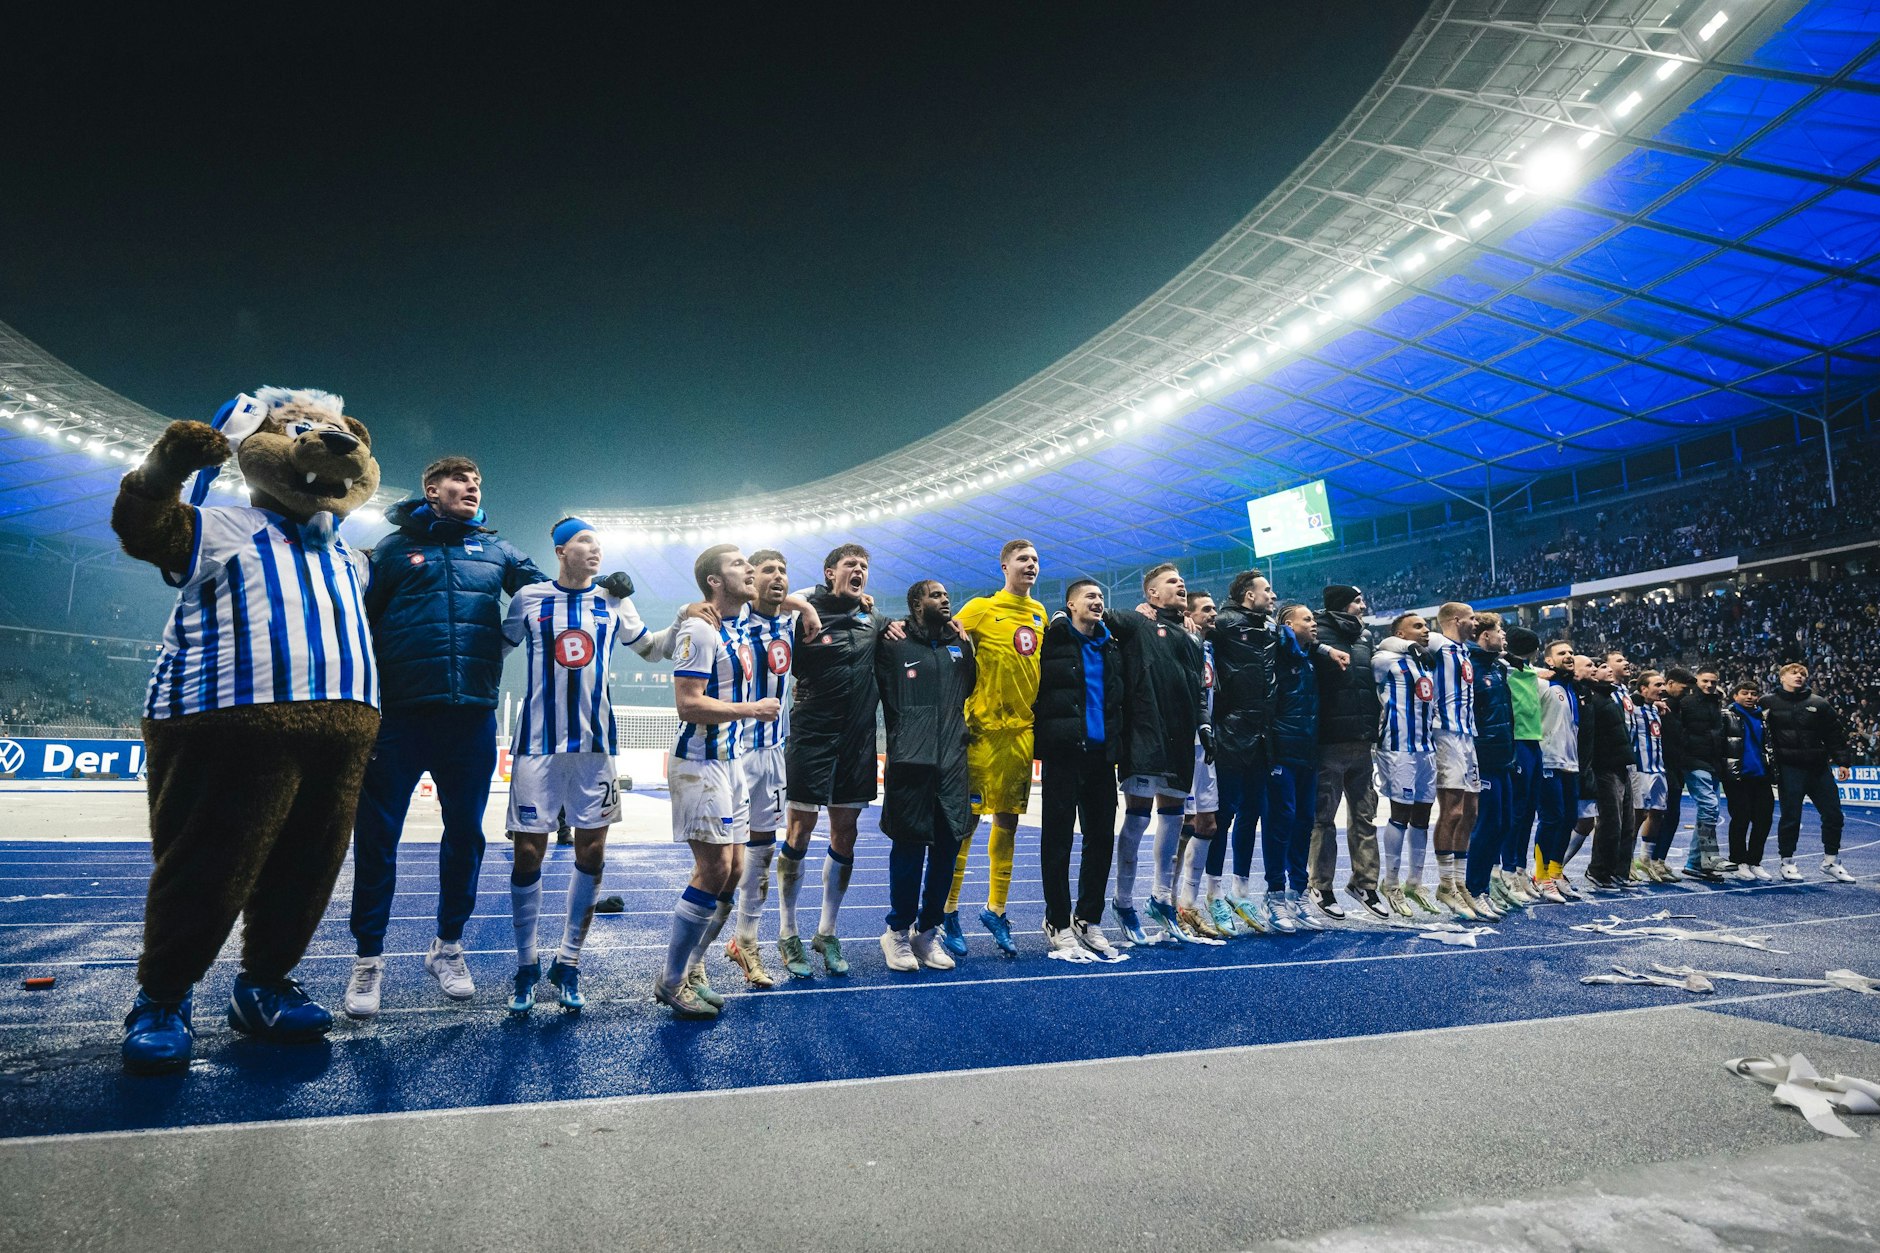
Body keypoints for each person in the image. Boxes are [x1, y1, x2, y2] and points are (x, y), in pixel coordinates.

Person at [346, 455, 549, 1017]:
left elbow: (554, 600)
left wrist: (608, 594)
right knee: (377, 838)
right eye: (460, 480)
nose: (472, 487)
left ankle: (449, 947)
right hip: (400, 717)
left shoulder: (499, 551)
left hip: (472, 718)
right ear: (431, 490)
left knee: (466, 836)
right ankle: (368, 961)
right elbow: (358, 620)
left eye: (477, 480)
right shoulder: (389, 550)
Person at [499, 518, 685, 1013]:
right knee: (528, 855)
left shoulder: (614, 601)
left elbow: (649, 650)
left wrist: (687, 619)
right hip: (537, 745)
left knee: (593, 852)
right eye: (585, 543)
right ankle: (526, 965)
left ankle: (569, 962)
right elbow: (496, 649)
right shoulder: (530, 599)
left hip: (595, 747)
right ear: (561, 550)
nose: (595, 551)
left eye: (598, 545)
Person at [657, 544, 782, 1018]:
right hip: (699, 762)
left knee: (731, 872)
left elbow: (783, 597)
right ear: (714, 582)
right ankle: (671, 981)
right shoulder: (700, 630)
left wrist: (808, 605)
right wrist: (752, 709)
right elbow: (687, 703)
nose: (750, 570)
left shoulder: (734, 624)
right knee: (712, 872)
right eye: (738, 566)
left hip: (731, 762)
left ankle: (689, 969)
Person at [779, 543, 879, 977]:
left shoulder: (874, 619)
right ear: (829, 572)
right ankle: (787, 931)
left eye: (863, 567)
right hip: (812, 736)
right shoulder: (805, 608)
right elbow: (759, 597)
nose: (858, 571)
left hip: (858, 741)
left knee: (847, 833)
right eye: (850, 565)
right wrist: (801, 600)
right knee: (800, 829)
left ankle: (827, 930)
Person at [723, 550, 822, 989]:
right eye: (768, 570)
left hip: (773, 754)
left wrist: (804, 605)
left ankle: (746, 940)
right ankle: (692, 957)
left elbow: (818, 594)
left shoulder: (789, 618)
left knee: (763, 853)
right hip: (733, 752)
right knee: (724, 860)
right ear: (750, 579)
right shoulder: (736, 616)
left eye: (784, 570)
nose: (778, 577)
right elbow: (693, 609)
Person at [945, 540, 1047, 957]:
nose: (1031, 565)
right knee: (966, 824)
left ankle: (996, 909)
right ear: (1005, 566)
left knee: (1008, 822)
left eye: (1036, 560)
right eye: (1023, 559)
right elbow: (942, 631)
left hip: (1021, 734)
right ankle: (948, 910)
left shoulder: (1040, 613)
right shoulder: (982, 608)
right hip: (981, 733)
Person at [876, 580, 978, 970]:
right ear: (916, 605)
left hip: (953, 761)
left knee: (949, 846)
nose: (945, 599)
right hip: (909, 761)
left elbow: (967, 688)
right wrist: (885, 625)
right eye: (935, 595)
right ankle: (897, 932)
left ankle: (927, 931)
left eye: (946, 594)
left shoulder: (960, 646)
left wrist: (963, 644)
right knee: (908, 848)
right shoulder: (893, 644)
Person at [1107, 563, 1207, 946]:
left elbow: (1198, 687)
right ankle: (1123, 901)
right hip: (1144, 735)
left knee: (1175, 818)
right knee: (1136, 818)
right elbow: (1091, 616)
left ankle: (1162, 899)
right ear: (1151, 594)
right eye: (1171, 582)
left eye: (1182, 581)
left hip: (1181, 738)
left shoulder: (1193, 636)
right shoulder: (1136, 623)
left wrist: (1204, 724)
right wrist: (1134, 611)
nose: (1181, 584)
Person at [1032, 578, 1124, 958]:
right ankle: (1056, 919)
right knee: (1058, 840)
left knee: (1101, 839)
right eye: (1090, 596)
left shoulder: (1113, 645)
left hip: (1102, 756)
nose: (1098, 601)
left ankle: (1088, 918)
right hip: (1063, 753)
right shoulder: (1052, 638)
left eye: (1102, 597)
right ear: (1070, 605)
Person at [1204, 570, 1279, 933]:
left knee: (1253, 814)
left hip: (1263, 735)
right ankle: (1214, 893)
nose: (1273, 594)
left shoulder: (1269, 628)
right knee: (1224, 817)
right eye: (1267, 590)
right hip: (1232, 733)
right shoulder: (1226, 622)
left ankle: (1241, 890)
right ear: (1250, 595)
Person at [1310, 585, 1384, 920]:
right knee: (1323, 818)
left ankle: (1365, 884)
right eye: (1357, 600)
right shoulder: (1317, 632)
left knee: (1365, 815)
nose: (1363, 605)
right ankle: (1320, 885)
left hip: (1361, 740)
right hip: (1328, 741)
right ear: (1342, 604)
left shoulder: (1365, 637)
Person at [1762, 663, 1855, 883]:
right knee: (1791, 817)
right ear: (1782, 677)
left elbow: (1834, 733)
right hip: (1789, 767)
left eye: (1803, 674)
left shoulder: (1818, 703)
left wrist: (1843, 762)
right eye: (1794, 673)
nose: (1799, 676)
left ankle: (1831, 861)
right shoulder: (1767, 702)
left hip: (1818, 768)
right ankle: (1787, 862)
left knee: (1834, 814)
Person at [1264, 604, 1326, 931]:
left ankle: (1298, 893)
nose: (1314, 624)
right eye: (1308, 619)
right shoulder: (1278, 652)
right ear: (1288, 625)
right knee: (1282, 821)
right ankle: (1275, 895)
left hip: (1307, 752)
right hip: (1282, 754)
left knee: (1304, 821)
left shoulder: (1309, 657)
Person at [1373, 611, 1437, 917]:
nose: (1426, 630)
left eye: (1426, 626)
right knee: (1400, 812)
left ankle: (1415, 881)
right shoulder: (1386, 660)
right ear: (1400, 634)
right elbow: (1378, 653)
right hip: (1398, 747)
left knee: (1423, 813)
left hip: (1427, 746)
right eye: (1418, 626)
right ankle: (1391, 882)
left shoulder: (1425, 661)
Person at [1176, 589, 1228, 940]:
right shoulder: (1181, 643)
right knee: (1183, 824)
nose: (1215, 614)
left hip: (1207, 746)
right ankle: (1168, 903)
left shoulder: (1212, 647)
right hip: (1183, 744)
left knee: (1207, 824)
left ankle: (1187, 904)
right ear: (1190, 614)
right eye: (1207, 609)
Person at [1428, 603, 1481, 916]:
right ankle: (1445, 883)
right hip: (1445, 733)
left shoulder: (1464, 651)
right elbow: (1394, 643)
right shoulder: (1437, 643)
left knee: (1471, 810)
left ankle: (1460, 882)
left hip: (1467, 735)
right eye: (1472, 618)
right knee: (1453, 810)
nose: (1476, 623)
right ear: (1456, 620)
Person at [1461, 613, 1511, 920]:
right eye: (1498, 631)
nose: (1503, 636)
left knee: (1503, 824)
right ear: (1484, 636)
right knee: (1487, 824)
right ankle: (1472, 889)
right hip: (1484, 757)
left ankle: (1483, 890)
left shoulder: (1497, 668)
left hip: (1504, 756)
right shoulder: (1471, 668)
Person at [1531, 638, 1583, 903]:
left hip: (1570, 764)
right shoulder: (1541, 683)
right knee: (1552, 818)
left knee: (1569, 818)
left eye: (1572, 652)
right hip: (1548, 760)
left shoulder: (1570, 688)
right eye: (1562, 653)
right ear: (1548, 660)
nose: (1569, 655)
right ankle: (1540, 876)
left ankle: (1555, 872)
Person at [1581, 656, 1638, 892]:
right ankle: (1599, 870)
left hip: (1620, 765)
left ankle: (1618, 871)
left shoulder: (1609, 696)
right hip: (1604, 767)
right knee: (1610, 823)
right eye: (1601, 667)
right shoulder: (1591, 698)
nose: (1604, 671)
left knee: (1627, 823)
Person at [1500, 625, 1545, 905]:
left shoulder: (1530, 672)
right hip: (1516, 741)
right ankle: (1506, 871)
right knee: (1515, 812)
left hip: (1533, 741)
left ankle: (1519, 868)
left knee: (1528, 811)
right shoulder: (1505, 670)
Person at [1672, 665, 1728, 879]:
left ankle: (1695, 863)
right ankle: (1709, 856)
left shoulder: (1715, 704)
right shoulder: (1685, 703)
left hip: (1712, 763)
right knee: (1709, 806)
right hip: (1694, 761)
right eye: (1705, 681)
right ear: (1696, 681)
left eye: (1713, 681)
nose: (1709, 685)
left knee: (1709, 811)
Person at [1721, 680, 1775, 879]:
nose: (1750, 697)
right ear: (1735, 696)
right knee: (1741, 818)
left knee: (1763, 819)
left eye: (1753, 693)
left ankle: (1755, 861)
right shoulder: (1726, 716)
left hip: (1761, 776)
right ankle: (1738, 861)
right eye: (1745, 693)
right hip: (1737, 776)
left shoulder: (1763, 717)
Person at [1628, 670, 1672, 883]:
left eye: (1663, 684)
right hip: (1640, 769)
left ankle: (1645, 858)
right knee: (1637, 815)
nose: (1662, 689)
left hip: (1658, 768)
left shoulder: (1655, 708)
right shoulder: (1632, 707)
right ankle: (1626, 858)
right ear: (1643, 688)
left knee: (1658, 813)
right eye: (1657, 685)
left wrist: (1656, 704)